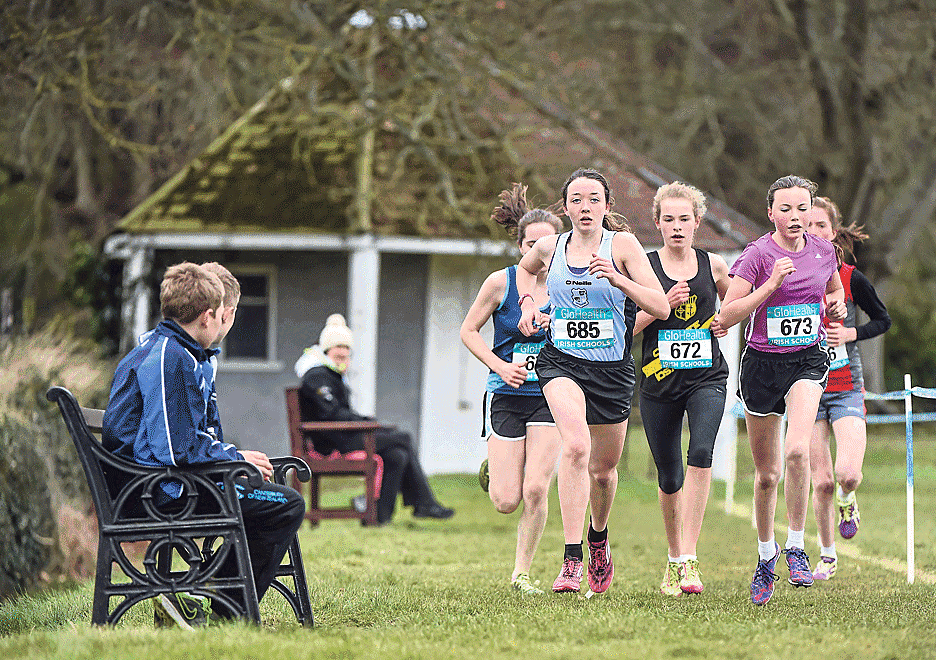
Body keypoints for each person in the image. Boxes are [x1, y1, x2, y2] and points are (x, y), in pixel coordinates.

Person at [102, 262, 305, 627]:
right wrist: (234, 457)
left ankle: (209, 601)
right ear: (209, 316)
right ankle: (225, 611)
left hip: (156, 484)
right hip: (156, 493)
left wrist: (229, 464)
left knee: (265, 494)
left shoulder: (173, 351)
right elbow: (177, 449)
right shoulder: (171, 358)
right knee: (284, 504)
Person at [517, 168, 670, 594]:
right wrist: (529, 302)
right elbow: (525, 272)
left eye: (593, 199)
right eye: (577, 200)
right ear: (565, 207)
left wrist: (618, 278)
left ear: (606, 206)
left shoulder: (622, 245)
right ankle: (570, 560)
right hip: (560, 362)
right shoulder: (550, 246)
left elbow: (659, 306)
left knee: (603, 471)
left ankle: (597, 538)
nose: (585, 207)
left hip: (612, 371)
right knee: (577, 446)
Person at [713, 175, 847, 605]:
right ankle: (766, 557)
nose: (794, 216)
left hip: (807, 359)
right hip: (761, 366)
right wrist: (770, 285)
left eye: (802, 208)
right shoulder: (756, 255)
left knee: (797, 451)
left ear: (812, 211)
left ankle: (795, 546)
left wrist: (837, 303)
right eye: (785, 209)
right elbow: (727, 315)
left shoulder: (824, 250)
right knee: (768, 474)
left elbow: (833, 287)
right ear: (770, 212)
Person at [460, 183, 565, 595]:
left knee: (536, 488)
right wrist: (501, 367)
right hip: (505, 395)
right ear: (521, 246)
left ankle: (521, 573)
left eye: (547, 243)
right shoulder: (500, 283)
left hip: (550, 395)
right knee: (507, 500)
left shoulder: (568, 286)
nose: (539, 251)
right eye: (531, 243)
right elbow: (468, 331)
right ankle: (494, 469)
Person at [632, 182, 730, 596]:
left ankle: (690, 559)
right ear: (657, 223)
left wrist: (727, 320)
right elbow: (623, 329)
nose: (676, 227)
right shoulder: (645, 268)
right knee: (670, 476)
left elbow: (739, 306)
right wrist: (660, 307)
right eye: (668, 219)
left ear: (696, 222)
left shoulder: (716, 266)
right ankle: (674, 558)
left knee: (702, 452)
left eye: (683, 219)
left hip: (707, 377)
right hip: (658, 382)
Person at [296, 314, 454, 524]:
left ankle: (381, 516)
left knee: (397, 454)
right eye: (338, 352)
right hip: (330, 443)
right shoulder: (317, 376)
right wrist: (364, 422)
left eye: (346, 352)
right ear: (326, 351)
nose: (343, 357)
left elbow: (340, 414)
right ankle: (424, 503)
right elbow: (332, 415)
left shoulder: (330, 375)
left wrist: (364, 420)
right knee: (403, 438)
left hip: (342, 436)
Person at [805, 197, 891, 580]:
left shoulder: (851, 277)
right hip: (806, 389)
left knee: (846, 475)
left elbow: (883, 319)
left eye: (820, 225)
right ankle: (827, 555)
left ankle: (848, 499)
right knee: (819, 481)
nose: (812, 231)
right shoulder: (788, 275)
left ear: (834, 232)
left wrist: (852, 332)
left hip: (845, 387)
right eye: (806, 225)